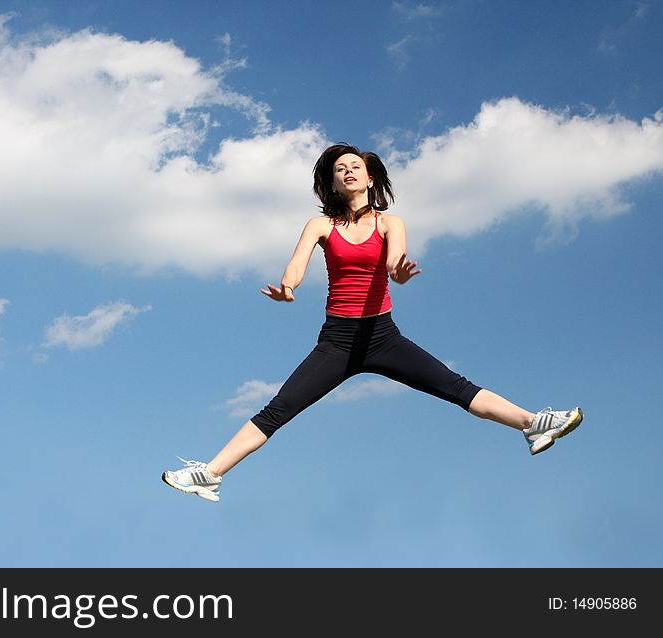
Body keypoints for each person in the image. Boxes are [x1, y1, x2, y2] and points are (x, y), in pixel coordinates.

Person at [162, 143, 583, 502]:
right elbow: (296, 265)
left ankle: (533, 424)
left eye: (354, 167)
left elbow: (395, 258)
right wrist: (288, 287)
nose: (347, 172)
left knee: (456, 387)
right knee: (278, 409)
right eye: (339, 169)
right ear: (332, 183)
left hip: (383, 337)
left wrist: (398, 272)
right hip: (337, 342)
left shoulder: (390, 222)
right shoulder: (321, 224)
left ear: (369, 178)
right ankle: (211, 473)